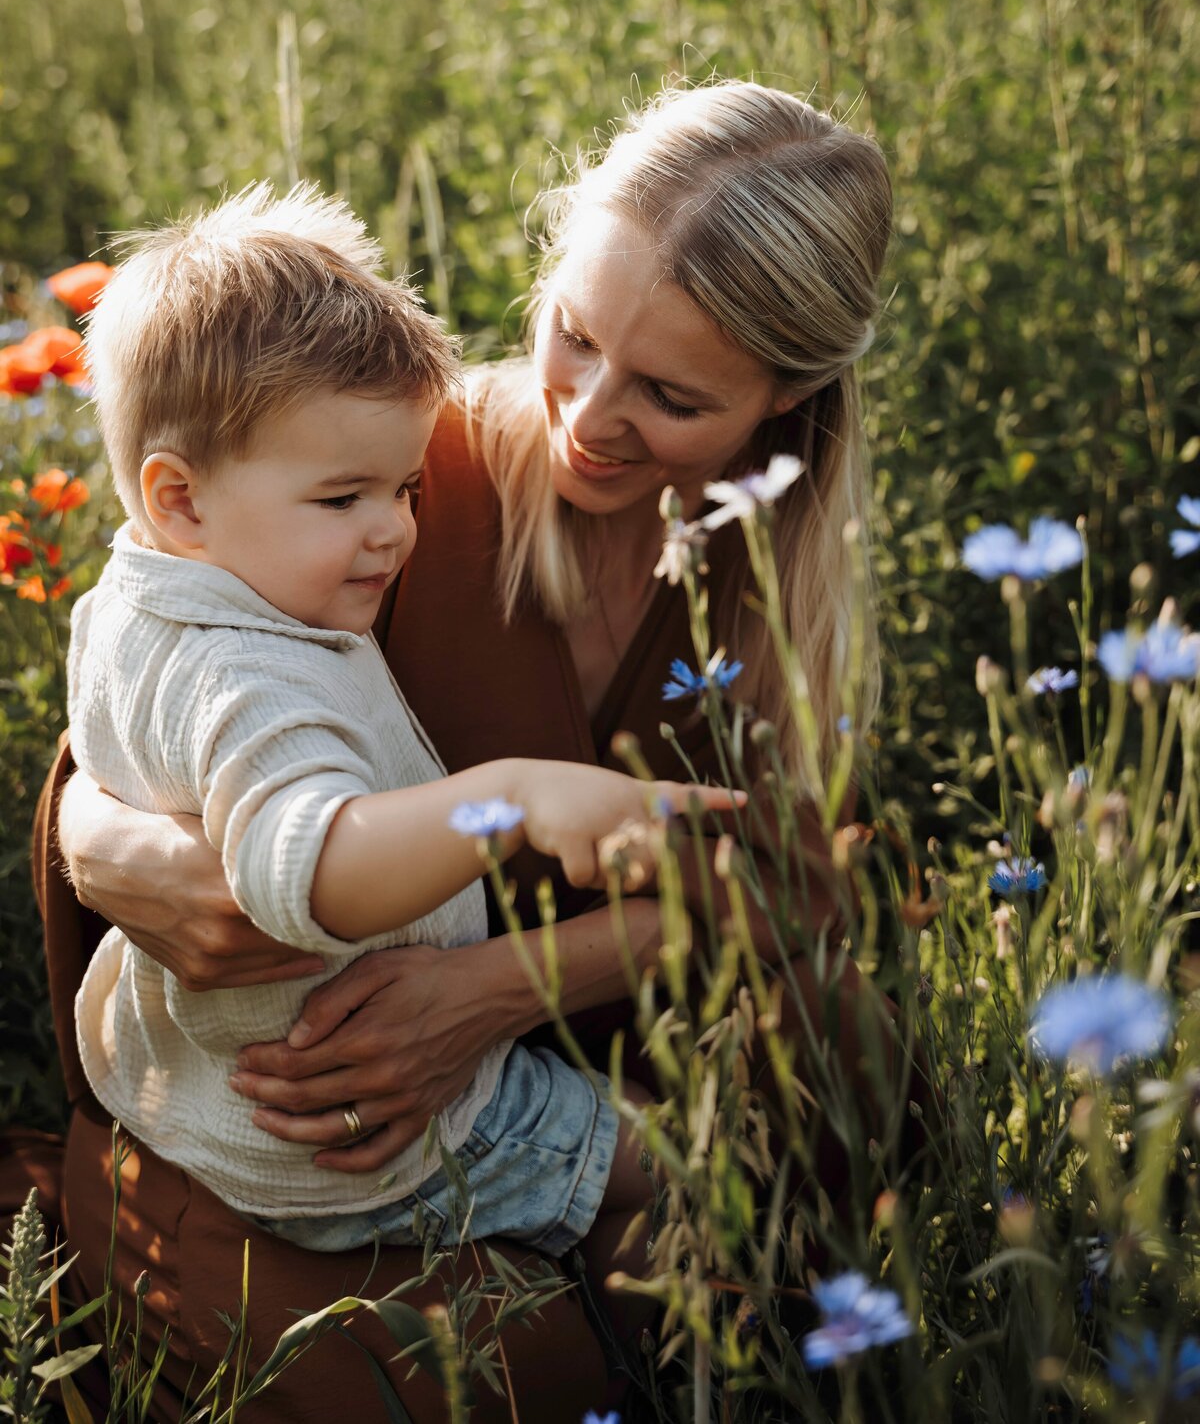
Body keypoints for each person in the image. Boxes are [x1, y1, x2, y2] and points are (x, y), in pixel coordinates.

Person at [36, 80, 904, 1422]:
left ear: (783, 398)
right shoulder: (386, 468)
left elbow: (784, 882)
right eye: (576, 337)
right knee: (443, 1368)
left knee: (816, 1124)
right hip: (320, 1066)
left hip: (600, 1053)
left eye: (671, 394)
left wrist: (492, 989)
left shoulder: (773, 581)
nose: (591, 415)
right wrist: (107, 845)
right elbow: (165, 680)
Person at [68, 187, 739, 1296]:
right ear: (178, 499)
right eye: (344, 499)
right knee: (690, 1169)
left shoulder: (150, 585)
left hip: (228, 1081)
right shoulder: (251, 674)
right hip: (360, 1113)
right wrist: (513, 797)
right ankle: (664, 1330)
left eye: (408, 488)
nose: (396, 529)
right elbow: (311, 869)